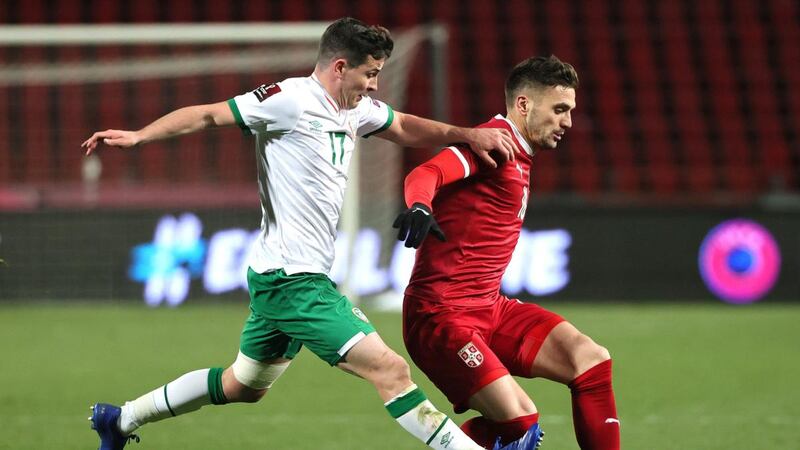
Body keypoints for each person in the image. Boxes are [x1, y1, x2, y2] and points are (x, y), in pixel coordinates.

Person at [82, 17, 520, 450]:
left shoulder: (355, 110)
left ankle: (119, 419)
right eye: (369, 74)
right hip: (294, 282)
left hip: (282, 277)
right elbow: (209, 115)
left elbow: (403, 125)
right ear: (340, 67)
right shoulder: (288, 100)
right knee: (390, 370)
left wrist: (466, 135)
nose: (373, 86)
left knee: (244, 385)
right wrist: (140, 136)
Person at [393, 55, 620, 450]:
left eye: (570, 111)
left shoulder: (521, 152)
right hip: (441, 316)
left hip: (489, 308)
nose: (567, 121)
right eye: (560, 109)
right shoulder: (491, 144)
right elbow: (425, 173)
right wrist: (420, 205)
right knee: (520, 424)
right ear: (524, 105)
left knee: (590, 359)